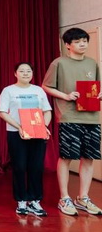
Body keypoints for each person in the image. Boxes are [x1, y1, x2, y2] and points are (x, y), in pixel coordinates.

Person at [42, 27, 102, 216]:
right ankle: (64, 198)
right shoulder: (59, 63)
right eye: (77, 41)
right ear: (68, 45)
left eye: (84, 40)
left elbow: (97, 86)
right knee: (67, 156)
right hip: (69, 116)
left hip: (92, 117)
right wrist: (66, 96)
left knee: (89, 157)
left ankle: (83, 198)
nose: (82, 44)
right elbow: (46, 86)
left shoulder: (92, 63)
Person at [0, 62, 52, 216]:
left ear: (32, 74)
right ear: (15, 74)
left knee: (36, 167)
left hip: (37, 132)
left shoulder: (38, 90)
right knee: (19, 167)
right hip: (16, 133)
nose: (25, 73)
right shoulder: (8, 90)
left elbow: (47, 111)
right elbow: (2, 112)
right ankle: (21, 200)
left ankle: (35, 200)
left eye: (28, 71)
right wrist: (19, 127)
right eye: (21, 71)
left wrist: (44, 126)